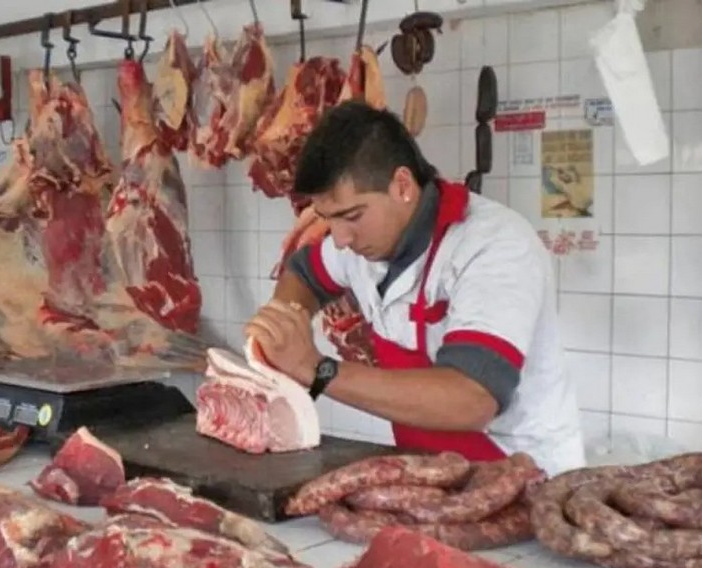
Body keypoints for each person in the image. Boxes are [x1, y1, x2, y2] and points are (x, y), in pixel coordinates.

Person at [244, 100, 585, 476]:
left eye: (352, 216)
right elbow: (304, 272)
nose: (339, 238)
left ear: (402, 186)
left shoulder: (494, 246)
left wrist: (317, 369)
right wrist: (286, 321)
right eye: (328, 219)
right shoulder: (363, 245)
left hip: (521, 477)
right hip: (430, 475)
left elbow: (472, 399)